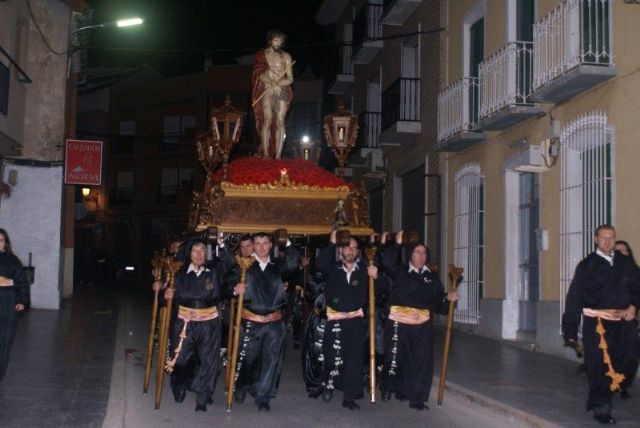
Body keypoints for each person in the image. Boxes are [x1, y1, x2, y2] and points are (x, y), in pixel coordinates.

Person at [562, 225, 640, 424]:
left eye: (611, 238)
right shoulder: (587, 265)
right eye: (603, 238)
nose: (607, 242)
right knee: (600, 367)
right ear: (596, 239)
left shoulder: (624, 263)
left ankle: (613, 387)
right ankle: (601, 408)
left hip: (623, 322)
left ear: (615, 239)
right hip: (597, 324)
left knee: (629, 359)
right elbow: (575, 296)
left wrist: (634, 307)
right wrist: (570, 329)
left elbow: (637, 287)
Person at [380, 231, 458, 411]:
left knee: (420, 361)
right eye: (417, 252)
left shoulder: (432, 278)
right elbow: (387, 262)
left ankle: (416, 397)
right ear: (410, 254)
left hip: (422, 326)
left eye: (423, 253)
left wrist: (449, 299)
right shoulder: (400, 272)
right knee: (395, 358)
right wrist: (397, 245)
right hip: (398, 323)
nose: (421, 256)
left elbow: (439, 305)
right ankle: (389, 387)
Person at [230, 232, 300, 411]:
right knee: (247, 359)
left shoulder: (277, 266)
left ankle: (263, 396)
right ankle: (241, 386)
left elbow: (293, 264)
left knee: (271, 360)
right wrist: (234, 289)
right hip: (250, 322)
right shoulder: (244, 266)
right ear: (253, 246)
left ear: (271, 245)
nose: (261, 247)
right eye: (258, 243)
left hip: (274, 322)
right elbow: (227, 284)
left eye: (265, 243)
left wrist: (287, 241)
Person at [315, 230, 381, 410]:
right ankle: (328, 385)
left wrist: (376, 276)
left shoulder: (365, 271)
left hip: (355, 322)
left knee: (354, 359)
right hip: (334, 320)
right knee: (331, 357)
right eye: (347, 247)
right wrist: (331, 242)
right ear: (341, 250)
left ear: (358, 252)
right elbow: (319, 264)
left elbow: (381, 290)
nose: (351, 251)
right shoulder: (332, 268)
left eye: (354, 248)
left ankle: (349, 397)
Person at [159, 240, 224, 412]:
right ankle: (179, 387)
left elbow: (218, 294)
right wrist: (165, 294)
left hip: (208, 323)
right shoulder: (178, 274)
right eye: (195, 251)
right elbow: (162, 301)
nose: (199, 254)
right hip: (184, 323)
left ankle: (203, 397)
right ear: (189, 254)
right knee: (179, 359)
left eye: (202, 250)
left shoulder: (213, 273)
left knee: (208, 360)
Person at [252, 30, 294, 159]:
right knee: (267, 120)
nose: (278, 43)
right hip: (267, 89)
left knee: (281, 121)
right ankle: (265, 154)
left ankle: (278, 156)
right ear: (270, 41)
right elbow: (258, 73)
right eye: (276, 40)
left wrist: (278, 84)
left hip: (282, 90)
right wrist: (271, 82)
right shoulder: (261, 55)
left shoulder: (286, 57)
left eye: (281, 41)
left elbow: (291, 78)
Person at [0, 228, 28, 381]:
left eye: (1, 240)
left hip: (6, 305)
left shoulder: (12, 260)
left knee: (4, 342)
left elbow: (22, 282)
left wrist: (21, 301)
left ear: (6, 243)